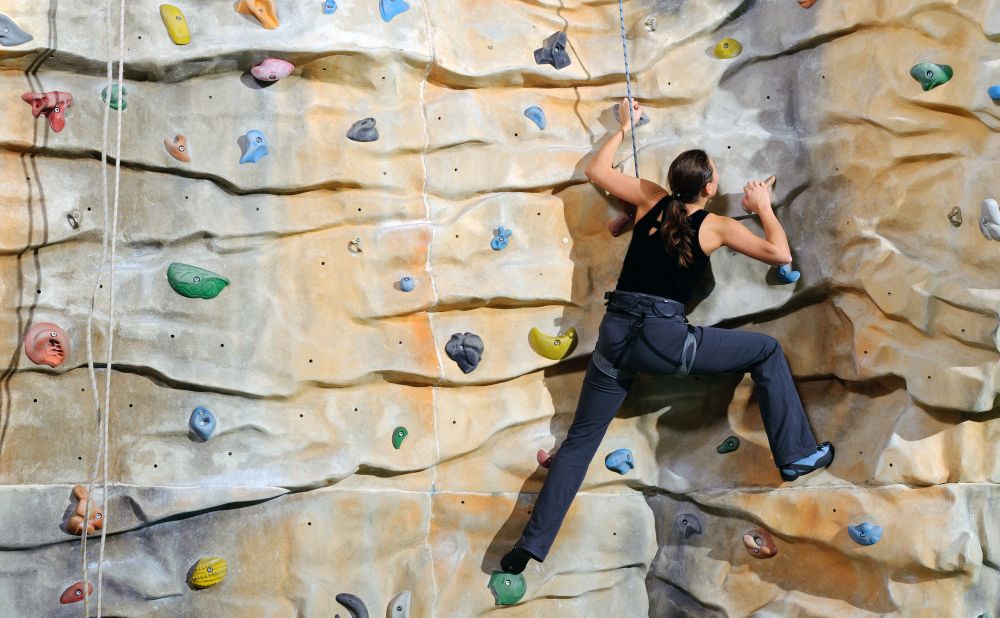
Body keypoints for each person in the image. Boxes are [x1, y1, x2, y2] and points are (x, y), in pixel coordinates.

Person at [499, 98, 834, 575]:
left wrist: (623, 125)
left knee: (579, 442)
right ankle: (797, 455)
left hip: (616, 334)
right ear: (711, 186)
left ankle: (527, 550)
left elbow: (598, 169)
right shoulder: (715, 226)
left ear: (675, 182)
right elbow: (780, 254)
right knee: (766, 349)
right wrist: (762, 207)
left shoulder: (650, 198)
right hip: (664, 341)